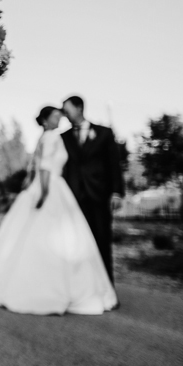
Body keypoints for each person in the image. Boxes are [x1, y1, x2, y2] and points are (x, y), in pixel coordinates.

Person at [0, 106, 117, 315]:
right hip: (50, 187)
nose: (60, 120)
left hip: (48, 185)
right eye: (56, 117)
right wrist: (45, 193)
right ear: (46, 120)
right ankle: (50, 288)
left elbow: (34, 168)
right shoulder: (51, 137)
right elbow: (45, 167)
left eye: (60, 116)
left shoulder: (44, 137)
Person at [60, 95, 125, 285]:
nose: (65, 114)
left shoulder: (104, 133)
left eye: (67, 109)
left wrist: (116, 192)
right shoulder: (63, 137)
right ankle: (81, 285)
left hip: (100, 195)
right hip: (73, 197)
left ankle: (105, 287)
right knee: (76, 243)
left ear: (79, 108)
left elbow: (114, 164)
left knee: (102, 239)